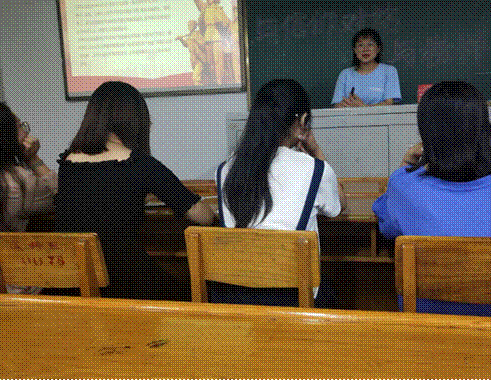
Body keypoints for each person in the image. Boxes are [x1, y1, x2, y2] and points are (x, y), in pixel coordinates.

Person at [373, 81, 491, 319]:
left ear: (426, 133)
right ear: (483, 128)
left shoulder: (404, 185)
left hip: (428, 334)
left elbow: (387, 225)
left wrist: (406, 167)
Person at [52, 81, 215, 300]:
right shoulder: (138, 163)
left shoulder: (68, 163)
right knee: (192, 294)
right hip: (125, 282)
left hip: (73, 285)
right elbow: (202, 216)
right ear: (135, 119)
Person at [215, 79, 347, 307]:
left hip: (236, 298)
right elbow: (340, 205)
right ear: (302, 122)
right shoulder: (314, 169)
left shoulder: (225, 170)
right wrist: (316, 151)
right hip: (293, 299)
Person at [1, 101, 58, 294]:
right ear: (7, 134)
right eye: (20, 126)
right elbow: (62, 197)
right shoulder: (19, 182)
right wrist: (34, 159)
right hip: (14, 289)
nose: (26, 132)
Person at [332, 28, 401, 107]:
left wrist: (363, 107)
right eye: (360, 45)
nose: (365, 49)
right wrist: (343, 105)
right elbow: (336, 105)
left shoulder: (389, 71)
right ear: (355, 50)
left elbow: (389, 104)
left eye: (370, 44)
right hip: (349, 115)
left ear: (378, 48)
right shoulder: (345, 74)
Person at [189, 0, 231, 85]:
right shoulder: (205, 8)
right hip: (208, 36)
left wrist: (228, 36)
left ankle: (219, 81)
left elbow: (227, 23)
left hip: (217, 36)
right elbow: (198, 1)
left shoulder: (219, 9)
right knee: (210, 61)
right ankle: (213, 82)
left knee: (218, 60)